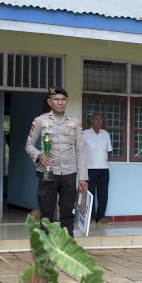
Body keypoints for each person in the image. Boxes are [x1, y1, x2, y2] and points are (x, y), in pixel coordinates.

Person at [26, 87, 88, 238]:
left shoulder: (74, 122)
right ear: (50, 102)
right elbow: (28, 145)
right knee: (46, 213)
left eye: (63, 100)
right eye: (56, 100)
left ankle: (67, 246)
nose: (60, 103)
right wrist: (39, 155)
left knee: (67, 212)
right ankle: (46, 248)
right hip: (47, 172)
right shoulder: (40, 121)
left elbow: (80, 151)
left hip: (69, 173)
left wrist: (83, 177)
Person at [83, 113, 113, 224]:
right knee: (90, 194)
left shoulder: (105, 134)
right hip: (90, 169)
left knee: (103, 194)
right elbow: (80, 152)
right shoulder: (84, 134)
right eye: (96, 119)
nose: (99, 122)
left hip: (104, 169)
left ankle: (101, 217)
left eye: (101, 120)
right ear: (92, 121)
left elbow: (109, 151)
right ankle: (90, 217)